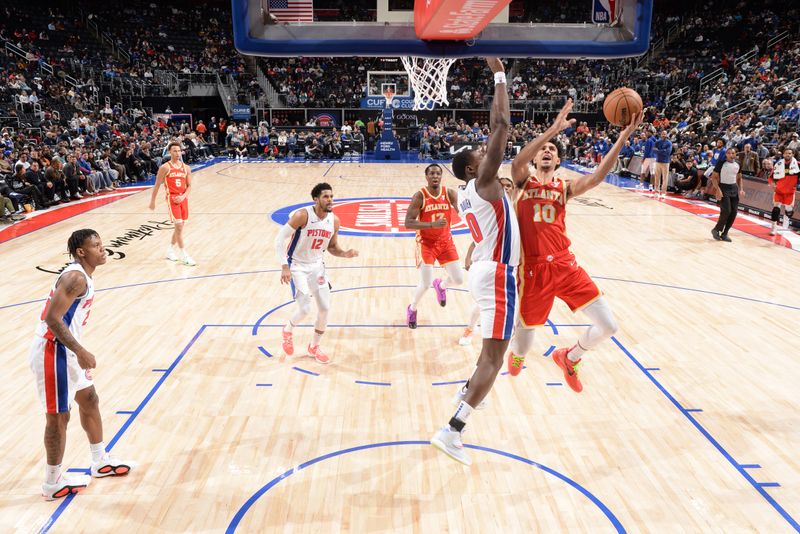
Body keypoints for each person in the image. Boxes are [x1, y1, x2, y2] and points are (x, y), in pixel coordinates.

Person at [505, 99, 642, 392]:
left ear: (558, 162)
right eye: (543, 149)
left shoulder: (564, 188)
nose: (546, 150)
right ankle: (516, 353)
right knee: (523, 346)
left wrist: (622, 137)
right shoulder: (522, 183)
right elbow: (517, 163)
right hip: (533, 271)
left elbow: (597, 177)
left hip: (566, 266)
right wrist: (552, 130)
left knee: (609, 327)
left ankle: (570, 356)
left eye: (552, 150)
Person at [430, 57, 515, 466]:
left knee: (491, 355)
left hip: (487, 270)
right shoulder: (483, 182)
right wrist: (498, 73)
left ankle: (466, 394)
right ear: (471, 167)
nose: (488, 153)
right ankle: (453, 428)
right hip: (497, 274)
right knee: (494, 358)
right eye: (481, 154)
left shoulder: (470, 189)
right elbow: (501, 126)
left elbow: (499, 134)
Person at [29, 229, 134, 500]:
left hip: (68, 351)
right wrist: (81, 350)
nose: (103, 249)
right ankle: (52, 482)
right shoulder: (75, 277)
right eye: (96, 245)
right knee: (58, 417)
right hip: (53, 351)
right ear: (81, 252)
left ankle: (100, 461)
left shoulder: (83, 276)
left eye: (102, 244)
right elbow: (53, 319)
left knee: (90, 399)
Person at [275, 183, 358, 364]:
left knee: (325, 308)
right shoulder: (302, 215)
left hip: (317, 267)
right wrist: (284, 266)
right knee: (304, 309)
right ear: (316, 199)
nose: (330, 200)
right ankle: (287, 330)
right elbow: (280, 239)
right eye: (326, 196)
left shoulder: (334, 221)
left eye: (331, 196)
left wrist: (345, 253)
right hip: (297, 266)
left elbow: (332, 247)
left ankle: (314, 346)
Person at [458, 176, 516, 346]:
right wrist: (469, 256)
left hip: (516, 262)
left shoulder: (517, 209)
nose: (505, 188)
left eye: (508, 186)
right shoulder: (496, 208)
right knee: (483, 303)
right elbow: (481, 239)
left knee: (515, 303)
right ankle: (470, 328)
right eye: (502, 186)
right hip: (496, 262)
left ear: (513, 189)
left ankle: (513, 334)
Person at [404, 163, 464, 328]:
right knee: (425, 283)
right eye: (432, 173)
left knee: (458, 279)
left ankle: (442, 286)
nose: (435, 176)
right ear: (426, 177)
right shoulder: (420, 196)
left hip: (446, 242)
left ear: (441, 176)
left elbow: (464, 213)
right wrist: (432, 225)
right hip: (426, 243)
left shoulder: (449, 193)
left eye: (438, 173)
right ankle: (412, 309)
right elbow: (408, 223)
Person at [149, 142, 196, 265]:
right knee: (179, 227)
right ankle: (184, 255)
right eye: (174, 151)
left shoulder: (186, 168)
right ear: (170, 152)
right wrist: (153, 201)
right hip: (172, 199)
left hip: (183, 199)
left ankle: (170, 250)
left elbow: (190, 186)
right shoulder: (165, 167)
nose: (177, 153)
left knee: (179, 228)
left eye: (179, 151)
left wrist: (184, 196)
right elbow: (157, 185)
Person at [710, 147, 745, 242]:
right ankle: (716, 229)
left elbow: (739, 177)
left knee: (734, 212)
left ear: (735, 154)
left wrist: (741, 189)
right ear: (726, 154)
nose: (731, 155)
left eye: (733, 153)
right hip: (723, 188)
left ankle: (725, 233)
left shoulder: (738, 164)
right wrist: (718, 189)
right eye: (729, 153)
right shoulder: (721, 163)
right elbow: (713, 178)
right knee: (726, 211)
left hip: (734, 188)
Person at [768, 148, 798, 235]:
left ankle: (785, 224)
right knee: (776, 209)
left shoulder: (798, 165)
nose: (788, 155)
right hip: (779, 191)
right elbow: (770, 177)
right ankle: (774, 227)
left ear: (792, 154)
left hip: (790, 192)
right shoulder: (778, 164)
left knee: (789, 211)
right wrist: (772, 183)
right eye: (786, 153)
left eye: (790, 153)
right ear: (783, 154)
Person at [653, 130, 673, 199]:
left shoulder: (669, 143)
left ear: (667, 135)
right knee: (657, 177)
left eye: (665, 134)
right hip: (658, 161)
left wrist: (659, 151)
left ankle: (663, 193)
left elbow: (668, 152)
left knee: (665, 178)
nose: (663, 135)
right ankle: (656, 192)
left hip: (666, 162)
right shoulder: (657, 142)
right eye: (662, 134)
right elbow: (654, 150)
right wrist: (662, 151)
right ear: (661, 134)